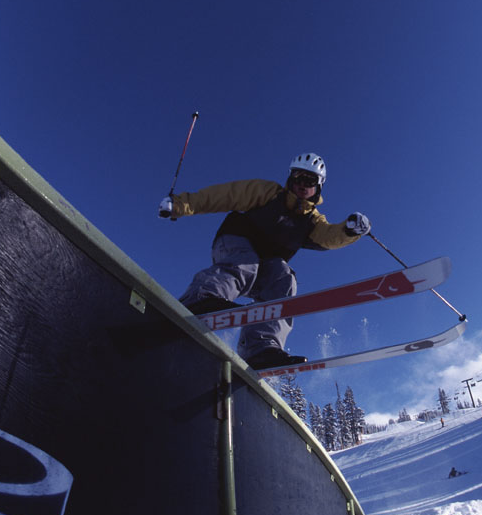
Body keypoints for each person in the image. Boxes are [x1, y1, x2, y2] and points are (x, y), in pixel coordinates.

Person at [158, 152, 371, 370]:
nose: (302, 185)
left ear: (318, 186)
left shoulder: (312, 220)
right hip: (235, 242)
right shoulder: (267, 192)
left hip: (265, 265)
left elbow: (327, 236)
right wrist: (179, 205)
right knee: (245, 263)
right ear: (290, 177)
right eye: (298, 177)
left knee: (284, 278)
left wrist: (348, 230)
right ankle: (202, 297)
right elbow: (222, 195)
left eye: (309, 181)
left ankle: (261, 348)